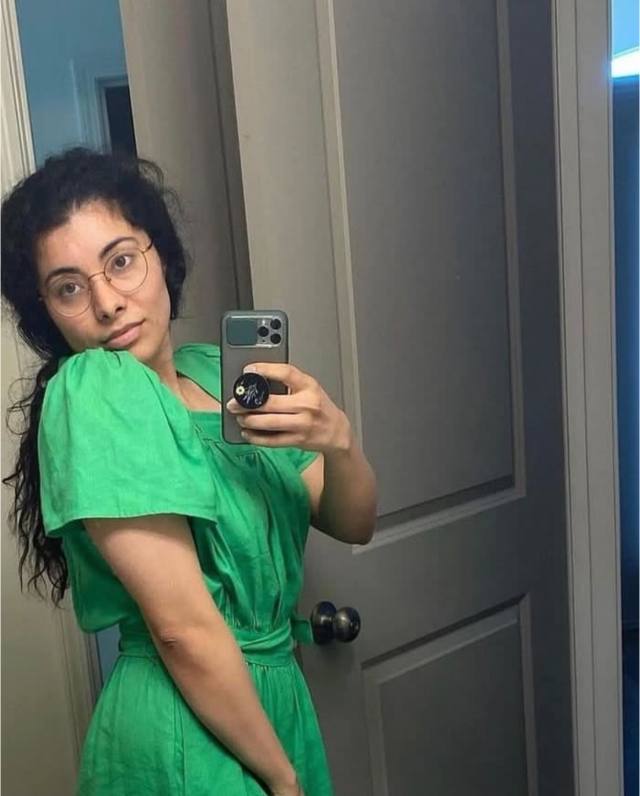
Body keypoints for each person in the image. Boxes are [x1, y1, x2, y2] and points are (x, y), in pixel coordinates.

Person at [1, 147, 377, 796]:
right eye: (69, 287)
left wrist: (338, 442)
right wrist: (282, 780)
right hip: (184, 727)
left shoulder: (215, 373)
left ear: (162, 254)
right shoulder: (96, 392)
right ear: (46, 311)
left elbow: (354, 522)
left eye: (121, 261)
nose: (107, 302)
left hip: (270, 704)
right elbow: (179, 630)